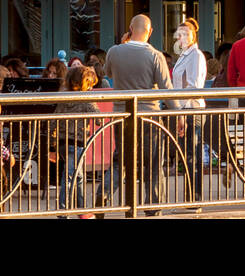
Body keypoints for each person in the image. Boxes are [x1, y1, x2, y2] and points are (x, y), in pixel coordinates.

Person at [103, 14, 173, 211]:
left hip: (121, 114)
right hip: (148, 115)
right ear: (150, 32)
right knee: (152, 163)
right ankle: (153, 205)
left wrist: (122, 45)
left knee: (121, 160)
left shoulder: (114, 51)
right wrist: (180, 115)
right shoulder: (155, 55)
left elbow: (108, 73)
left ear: (130, 29)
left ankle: (103, 195)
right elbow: (168, 89)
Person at [55, 65, 106, 218]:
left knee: (78, 176)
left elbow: (54, 119)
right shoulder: (85, 100)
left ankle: (81, 209)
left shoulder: (62, 96)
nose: (91, 88)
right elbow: (99, 119)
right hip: (77, 142)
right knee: (70, 177)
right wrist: (93, 100)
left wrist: (52, 145)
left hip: (63, 142)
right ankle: (63, 212)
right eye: (90, 84)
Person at [170, 17, 207, 208]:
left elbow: (194, 86)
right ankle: (190, 197)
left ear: (193, 36)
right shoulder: (184, 55)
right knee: (188, 155)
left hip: (192, 110)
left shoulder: (196, 55)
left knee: (193, 154)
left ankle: (195, 199)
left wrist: (182, 114)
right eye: (179, 34)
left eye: (185, 34)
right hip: (184, 109)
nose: (181, 37)